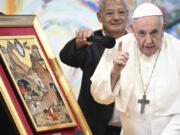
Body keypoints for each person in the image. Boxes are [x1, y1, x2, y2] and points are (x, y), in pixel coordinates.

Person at [90, 2, 180, 135]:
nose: (148, 41)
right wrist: (115, 71)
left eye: (154, 32)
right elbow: (100, 96)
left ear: (163, 28)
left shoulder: (177, 50)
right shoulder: (119, 47)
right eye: (142, 33)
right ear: (132, 29)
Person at [59, 0, 129, 134]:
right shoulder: (91, 40)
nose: (116, 17)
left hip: (127, 127)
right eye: (109, 13)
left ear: (127, 15)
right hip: (93, 126)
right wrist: (79, 42)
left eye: (121, 12)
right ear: (99, 16)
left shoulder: (136, 43)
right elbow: (66, 57)